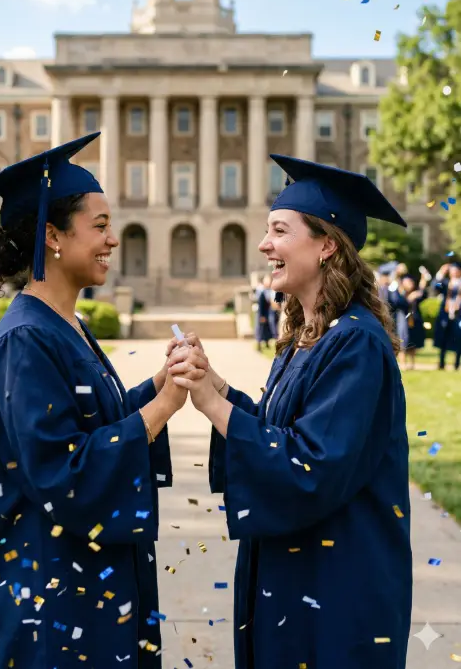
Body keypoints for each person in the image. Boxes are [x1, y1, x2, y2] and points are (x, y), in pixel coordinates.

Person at [0, 132, 205, 669]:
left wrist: (161, 385)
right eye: (99, 227)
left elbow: (98, 422)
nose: (112, 240)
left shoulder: (66, 324)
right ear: (53, 236)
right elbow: (60, 469)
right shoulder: (27, 336)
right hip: (50, 598)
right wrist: (161, 411)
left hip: (86, 583)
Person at [167, 156, 412, 669]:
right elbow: (283, 430)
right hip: (298, 577)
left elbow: (312, 465)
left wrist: (213, 408)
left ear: (326, 244)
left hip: (338, 585)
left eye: (279, 230)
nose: (264, 246)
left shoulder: (356, 345)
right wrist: (219, 388)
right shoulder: (310, 336)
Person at [433, 261, 461, 370]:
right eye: (452, 270)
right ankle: (441, 363)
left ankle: (456, 364)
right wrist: (440, 273)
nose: (453, 272)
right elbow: (435, 286)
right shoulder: (445, 283)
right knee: (443, 338)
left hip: (459, 315)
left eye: (456, 270)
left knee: (459, 339)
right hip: (445, 314)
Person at [254, 274, 275, 351]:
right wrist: (262, 316)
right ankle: (259, 346)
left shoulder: (270, 291)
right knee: (260, 330)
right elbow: (261, 304)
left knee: (266, 330)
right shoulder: (261, 291)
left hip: (267, 313)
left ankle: (266, 343)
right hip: (261, 313)